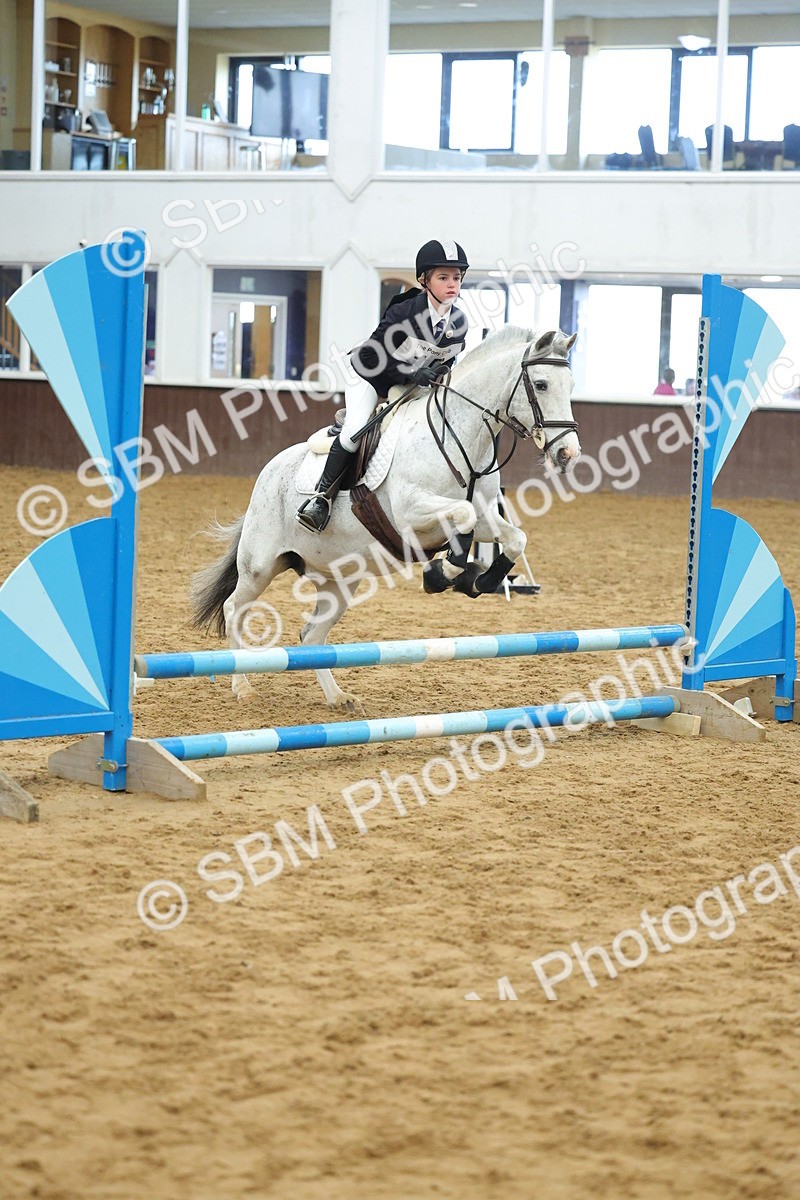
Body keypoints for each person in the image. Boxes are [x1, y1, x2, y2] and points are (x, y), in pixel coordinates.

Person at [297, 238, 470, 533]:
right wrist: (409, 373)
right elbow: (368, 356)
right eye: (443, 277)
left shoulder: (459, 323)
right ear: (424, 280)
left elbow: (447, 361)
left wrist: (438, 374)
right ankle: (320, 499)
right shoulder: (405, 313)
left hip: (408, 385)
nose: (451, 284)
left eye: (456, 277)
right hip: (368, 376)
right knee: (354, 432)